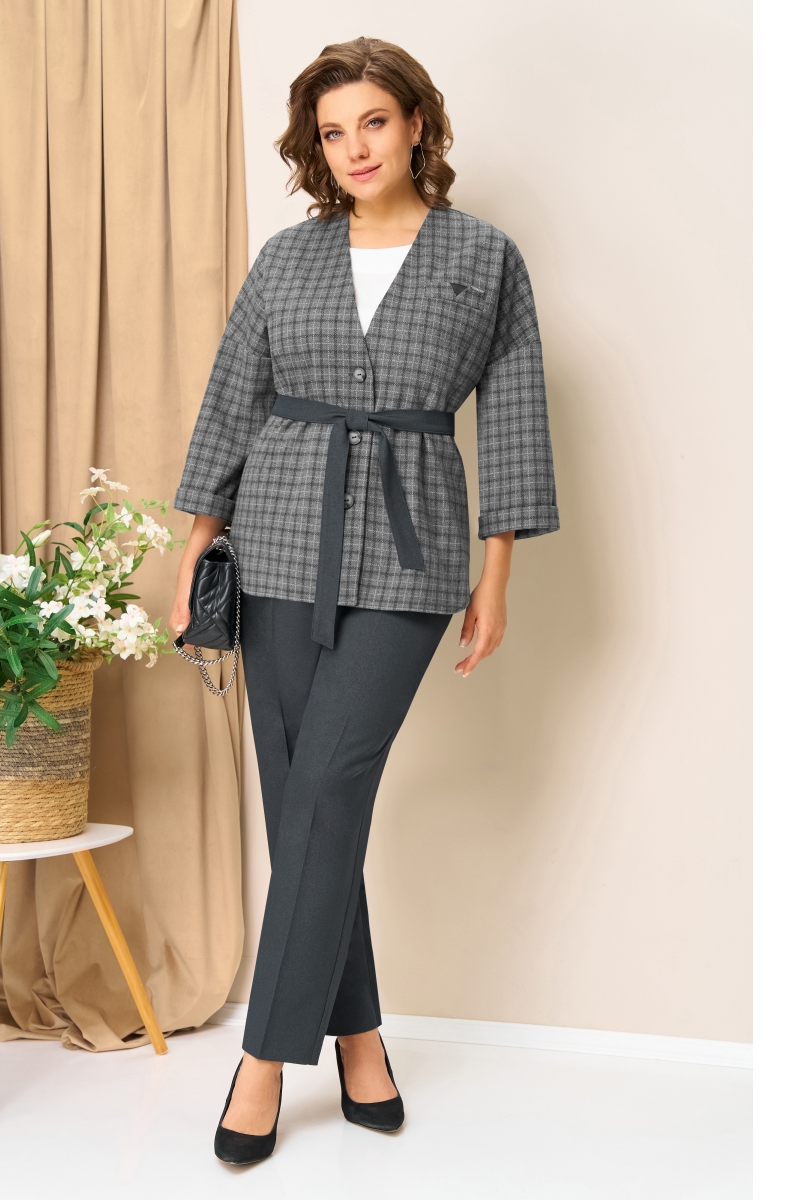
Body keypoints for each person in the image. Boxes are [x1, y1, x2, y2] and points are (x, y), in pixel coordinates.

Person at [170, 36, 559, 1165]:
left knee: (330, 784)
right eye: (333, 131)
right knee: (306, 805)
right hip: (278, 539)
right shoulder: (286, 260)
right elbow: (234, 396)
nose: (354, 148)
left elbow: (516, 413)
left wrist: (496, 576)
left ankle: (261, 1058)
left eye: (374, 122)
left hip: (410, 548)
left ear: (417, 124)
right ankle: (359, 1038)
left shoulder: (484, 257)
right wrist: (196, 550)